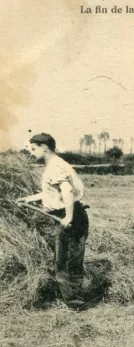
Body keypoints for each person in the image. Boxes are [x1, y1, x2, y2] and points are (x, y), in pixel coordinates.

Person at [16, 133, 89, 310]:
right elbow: (52, 194)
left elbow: (67, 192)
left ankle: (74, 302)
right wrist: (28, 199)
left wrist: (68, 217)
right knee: (70, 258)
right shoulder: (55, 165)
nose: (31, 153)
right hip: (70, 214)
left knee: (65, 260)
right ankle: (74, 299)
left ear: (44, 147)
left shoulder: (55, 166)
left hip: (69, 216)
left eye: (33, 149)